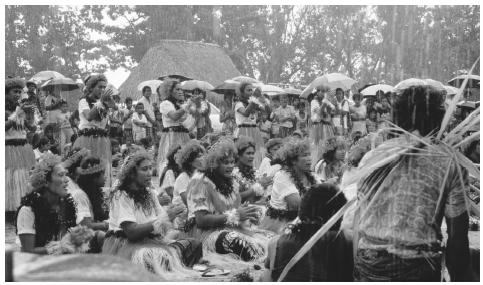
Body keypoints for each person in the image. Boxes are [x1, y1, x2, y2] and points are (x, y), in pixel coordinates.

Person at [353, 85, 472, 281]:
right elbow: (457, 238)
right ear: (438, 118)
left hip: (369, 264)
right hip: (418, 267)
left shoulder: (372, 158)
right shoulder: (449, 162)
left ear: (397, 117)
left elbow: (361, 219)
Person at [102, 151, 202, 278]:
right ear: (132, 173)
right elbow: (131, 233)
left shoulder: (150, 193)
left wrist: (172, 217)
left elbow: (161, 228)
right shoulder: (121, 195)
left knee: (194, 245)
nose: (150, 173)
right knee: (156, 257)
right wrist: (165, 218)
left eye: (150, 168)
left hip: (150, 241)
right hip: (127, 245)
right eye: (144, 169)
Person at [185, 138, 272, 263]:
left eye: (232, 162)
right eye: (226, 162)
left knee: (270, 238)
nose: (231, 166)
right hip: (205, 234)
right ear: (214, 163)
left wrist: (246, 213)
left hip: (229, 228)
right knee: (239, 243)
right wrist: (235, 215)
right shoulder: (199, 181)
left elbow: (235, 208)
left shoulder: (230, 181)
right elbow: (201, 220)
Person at [263, 183, 351, 281]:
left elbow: (266, 279)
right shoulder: (349, 241)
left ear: (303, 209)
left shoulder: (275, 244)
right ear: (338, 214)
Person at [15, 154, 77, 254]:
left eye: (66, 175)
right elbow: (28, 252)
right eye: (61, 175)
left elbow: (65, 239)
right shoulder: (28, 210)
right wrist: (58, 248)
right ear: (46, 181)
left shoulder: (65, 205)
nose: (66, 180)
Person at [259, 139, 317, 234]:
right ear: (294, 161)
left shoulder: (311, 176)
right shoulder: (282, 176)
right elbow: (297, 204)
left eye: (309, 154)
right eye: (305, 155)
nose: (309, 158)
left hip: (302, 222)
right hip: (282, 226)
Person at [73, 74, 115, 187]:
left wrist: (107, 103)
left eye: (104, 87)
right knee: (88, 169)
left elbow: (106, 118)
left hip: (101, 140)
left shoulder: (103, 103)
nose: (102, 90)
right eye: (99, 87)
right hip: (87, 139)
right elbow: (89, 116)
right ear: (91, 88)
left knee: (102, 169)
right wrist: (101, 102)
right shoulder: (83, 101)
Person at [6, 78, 37, 212]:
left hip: (23, 147)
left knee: (23, 175)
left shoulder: (21, 107)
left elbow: (32, 128)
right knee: (11, 177)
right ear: (6, 93)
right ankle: (11, 207)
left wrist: (30, 115)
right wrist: (17, 113)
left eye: (19, 92)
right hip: (9, 147)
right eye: (15, 91)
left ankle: (22, 206)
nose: (18, 94)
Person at [157, 79, 191, 176]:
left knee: (183, 162)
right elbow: (174, 116)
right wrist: (186, 106)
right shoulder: (165, 104)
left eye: (181, 89)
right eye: (177, 89)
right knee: (170, 162)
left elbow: (187, 124)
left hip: (182, 137)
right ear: (169, 91)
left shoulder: (179, 105)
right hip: (171, 137)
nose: (180, 92)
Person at [171, 140, 206, 229]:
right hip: (184, 220)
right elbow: (190, 203)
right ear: (190, 161)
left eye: (203, 155)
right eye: (199, 156)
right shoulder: (182, 178)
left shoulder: (202, 176)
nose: (203, 158)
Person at [234, 83, 266, 168]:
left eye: (252, 90)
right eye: (248, 90)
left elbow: (265, 110)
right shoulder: (238, 104)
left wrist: (262, 100)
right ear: (242, 92)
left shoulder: (253, 103)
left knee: (256, 153)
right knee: (244, 152)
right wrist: (254, 99)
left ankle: (255, 171)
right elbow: (245, 113)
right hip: (243, 131)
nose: (251, 92)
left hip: (254, 131)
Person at [232, 136, 272, 203]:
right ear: (239, 155)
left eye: (253, 153)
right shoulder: (232, 173)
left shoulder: (255, 171)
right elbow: (234, 198)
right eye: (248, 153)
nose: (252, 156)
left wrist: (264, 196)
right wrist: (257, 187)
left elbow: (259, 194)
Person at [309, 85, 335, 168]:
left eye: (325, 91)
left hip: (327, 126)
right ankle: (316, 166)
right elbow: (319, 112)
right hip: (318, 127)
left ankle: (327, 166)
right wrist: (325, 102)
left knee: (328, 147)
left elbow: (333, 110)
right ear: (317, 92)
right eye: (322, 91)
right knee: (318, 148)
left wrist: (328, 103)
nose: (323, 93)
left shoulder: (326, 101)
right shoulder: (314, 102)